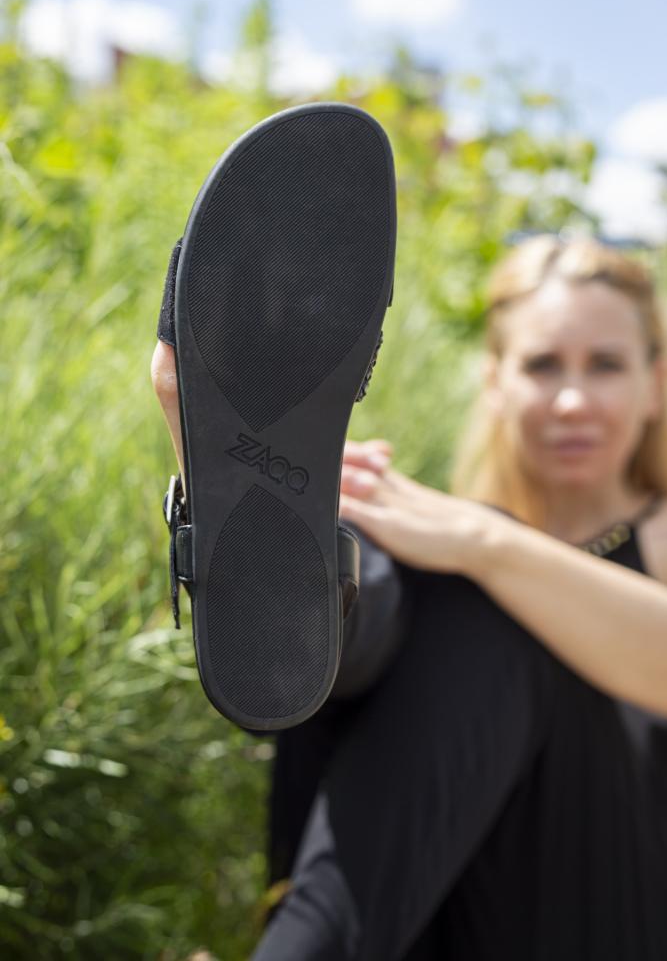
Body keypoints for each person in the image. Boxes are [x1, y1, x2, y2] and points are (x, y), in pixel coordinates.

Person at [151, 233, 667, 960]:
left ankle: (286, 557)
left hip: (615, 918)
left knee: (478, 604)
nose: (571, 398)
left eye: (605, 365)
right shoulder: (440, 538)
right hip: (438, 922)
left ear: (657, 383)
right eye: (542, 364)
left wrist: (484, 544)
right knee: (379, 585)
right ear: (495, 382)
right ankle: (279, 557)